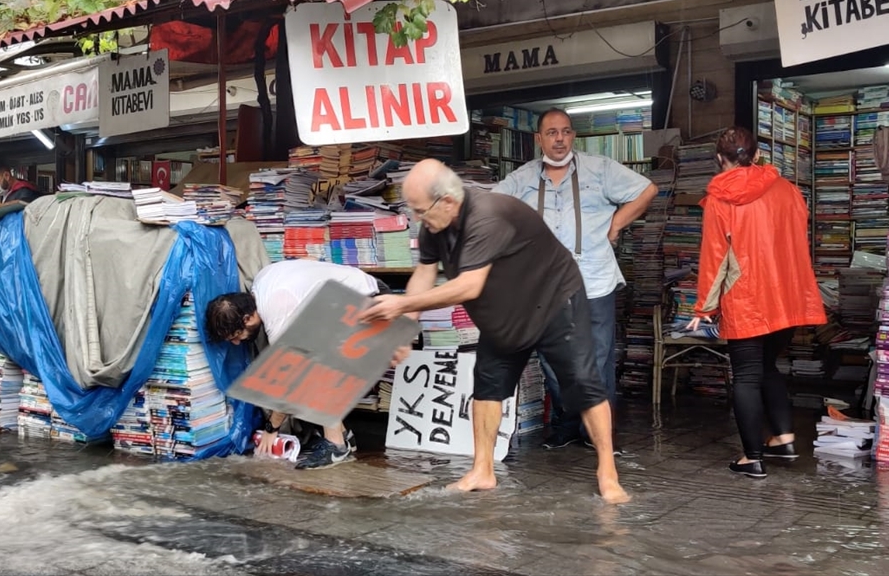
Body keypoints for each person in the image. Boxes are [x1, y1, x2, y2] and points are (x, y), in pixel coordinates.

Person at [361, 159, 630, 504]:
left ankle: (607, 472)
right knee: (488, 385)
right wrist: (403, 327)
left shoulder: (488, 215)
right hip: (504, 310)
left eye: (419, 210)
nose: (417, 219)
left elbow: (469, 286)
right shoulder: (434, 226)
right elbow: (425, 275)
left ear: (447, 201)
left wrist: (397, 306)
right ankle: (482, 470)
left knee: (581, 380)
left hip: (552, 300)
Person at [493, 108, 657, 450]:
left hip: (594, 279)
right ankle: (568, 423)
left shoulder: (599, 170)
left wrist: (616, 224)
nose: (559, 139)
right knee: (553, 360)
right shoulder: (522, 177)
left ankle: (598, 435)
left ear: (573, 136)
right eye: (552, 133)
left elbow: (646, 190)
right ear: (539, 139)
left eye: (566, 132)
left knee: (596, 359)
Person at [685, 126, 826, 478]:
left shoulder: (720, 199)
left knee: (746, 377)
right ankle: (784, 439)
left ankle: (752, 457)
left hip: (747, 297)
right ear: (758, 155)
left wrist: (704, 307)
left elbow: (715, 257)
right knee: (767, 368)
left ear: (720, 159)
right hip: (787, 295)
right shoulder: (789, 191)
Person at [205, 258, 396, 470]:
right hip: (358, 298)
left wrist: (271, 429)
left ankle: (336, 447)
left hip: (375, 305)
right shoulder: (262, 283)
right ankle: (342, 437)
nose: (236, 342)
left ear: (248, 318)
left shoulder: (276, 306)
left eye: (237, 335)